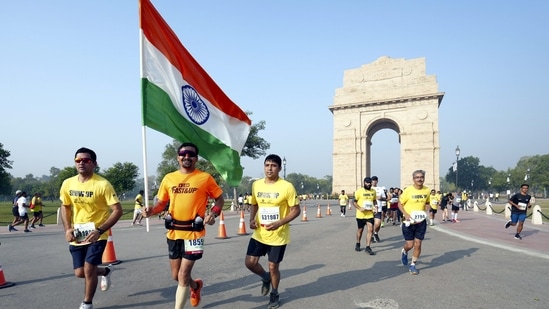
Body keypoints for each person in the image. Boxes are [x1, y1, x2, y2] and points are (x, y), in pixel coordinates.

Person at [142, 142, 224, 309]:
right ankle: (196, 286)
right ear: (178, 157)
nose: (187, 157)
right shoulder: (169, 178)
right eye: (183, 154)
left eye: (191, 154)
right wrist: (151, 210)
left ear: (196, 158)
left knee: (183, 274)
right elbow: (161, 204)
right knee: (176, 276)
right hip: (174, 232)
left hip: (194, 233)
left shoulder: (205, 178)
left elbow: (219, 199)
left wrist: (213, 213)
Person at [60, 147, 123, 309]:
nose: (82, 163)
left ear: (94, 164)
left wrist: (100, 230)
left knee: (89, 269)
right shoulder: (68, 183)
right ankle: (105, 272)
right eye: (78, 160)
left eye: (86, 160)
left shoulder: (103, 184)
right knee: (80, 272)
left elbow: (117, 210)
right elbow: (65, 206)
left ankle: (87, 303)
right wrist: (67, 229)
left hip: (97, 234)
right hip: (77, 234)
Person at [245, 154, 301, 309]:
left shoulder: (287, 186)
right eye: (267, 165)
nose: (269, 168)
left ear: (279, 168)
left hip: (278, 235)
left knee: (273, 266)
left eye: (273, 165)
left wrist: (279, 223)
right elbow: (254, 204)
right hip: (260, 233)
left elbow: (296, 210)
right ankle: (265, 278)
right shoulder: (256, 184)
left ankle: (275, 293)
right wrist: (252, 219)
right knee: (250, 263)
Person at [398, 170, 430, 275]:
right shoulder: (408, 191)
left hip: (421, 222)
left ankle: (413, 265)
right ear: (413, 179)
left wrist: (428, 207)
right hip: (408, 221)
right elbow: (400, 204)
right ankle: (404, 250)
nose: (419, 179)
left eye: (421, 177)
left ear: (424, 178)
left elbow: (427, 202)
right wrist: (406, 214)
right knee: (410, 244)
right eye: (417, 177)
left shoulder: (427, 190)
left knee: (418, 244)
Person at [353, 177, 377, 255]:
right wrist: (360, 208)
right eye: (367, 182)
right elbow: (354, 202)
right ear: (364, 183)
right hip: (360, 215)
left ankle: (368, 247)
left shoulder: (373, 191)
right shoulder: (359, 191)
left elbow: (374, 200)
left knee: (370, 230)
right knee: (360, 230)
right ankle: (358, 243)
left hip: (370, 214)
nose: (369, 184)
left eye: (370, 182)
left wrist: (376, 207)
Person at [371, 176, 387, 242]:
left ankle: (375, 233)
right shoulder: (368, 189)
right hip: (370, 210)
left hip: (379, 209)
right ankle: (371, 236)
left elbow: (385, 198)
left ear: (377, 181)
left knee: (378, 224)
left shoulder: (380, 189)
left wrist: (381, 198)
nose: (374, 181)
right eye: (373, 180)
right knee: (371, 224)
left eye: (375, 180)